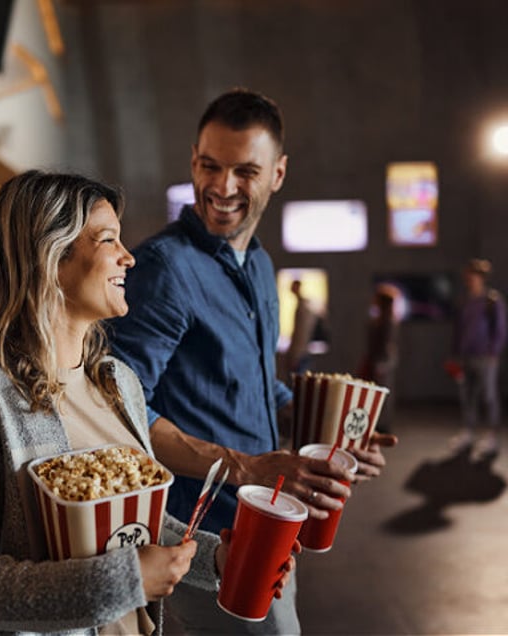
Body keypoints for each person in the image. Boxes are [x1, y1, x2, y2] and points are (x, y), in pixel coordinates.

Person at [0, 170, 294, 636]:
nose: (128, 257)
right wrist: (124, 581)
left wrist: (215, 557)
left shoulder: (119, 382)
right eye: (108, 239)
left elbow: (135, 526)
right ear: (49, 256)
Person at [107, 88, 397, 635]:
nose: (222, 187)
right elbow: (119, 412)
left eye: (246, 171)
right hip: (203, 539)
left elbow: (260, 384)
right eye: (210, 166)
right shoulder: (164, 268)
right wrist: (248, 467)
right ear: (193, 159)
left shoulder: (261, 264)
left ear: (278, 173)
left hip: (271, 527)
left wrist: (336, 437)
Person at [448, 257, 506, 458]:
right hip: (465, 357)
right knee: (467, 396)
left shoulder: (492, 300)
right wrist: (455, 355)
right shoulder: (465, 301)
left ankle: (491, 435)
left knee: (488, 397)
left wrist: (493, 353)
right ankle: (469, 432)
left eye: (473, 276)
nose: (470, 279)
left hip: (485, 358)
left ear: (481, 277)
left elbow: (499, 330)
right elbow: (458, 330)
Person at [358, 284, 400, 433]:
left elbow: (387, 345)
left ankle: (383, 424)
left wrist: (382, 364)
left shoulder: (388, 321)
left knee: (383, 394)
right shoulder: (380, 319)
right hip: (375, 360)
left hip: (382, 362)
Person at [284, 279, 319, 379]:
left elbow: (301, 333)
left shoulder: (303, 307)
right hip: (301, 352)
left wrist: (295, 355)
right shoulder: (304, 305)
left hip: (300, 353)